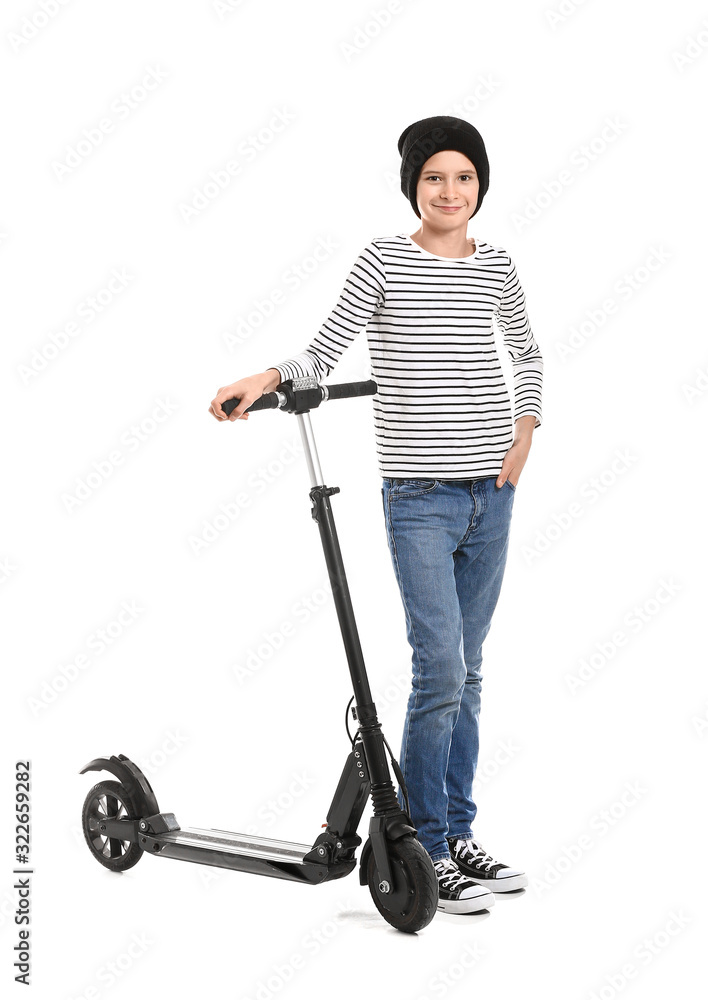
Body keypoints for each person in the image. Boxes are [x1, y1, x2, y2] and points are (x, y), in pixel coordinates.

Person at [209, 116, 543, 915]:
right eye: (435, 178)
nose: (450, 192)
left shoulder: (498, 267)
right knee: (439, 671)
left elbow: (525, 354)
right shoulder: (384, 261)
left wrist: (524, 431)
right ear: (413, 187)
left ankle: (458, 833)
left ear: (481, 187)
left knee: (471, 671)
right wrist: (266, 376)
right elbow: (323, 353)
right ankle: (423, 846)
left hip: (491, 492)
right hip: (420, 498)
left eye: (464, 178)